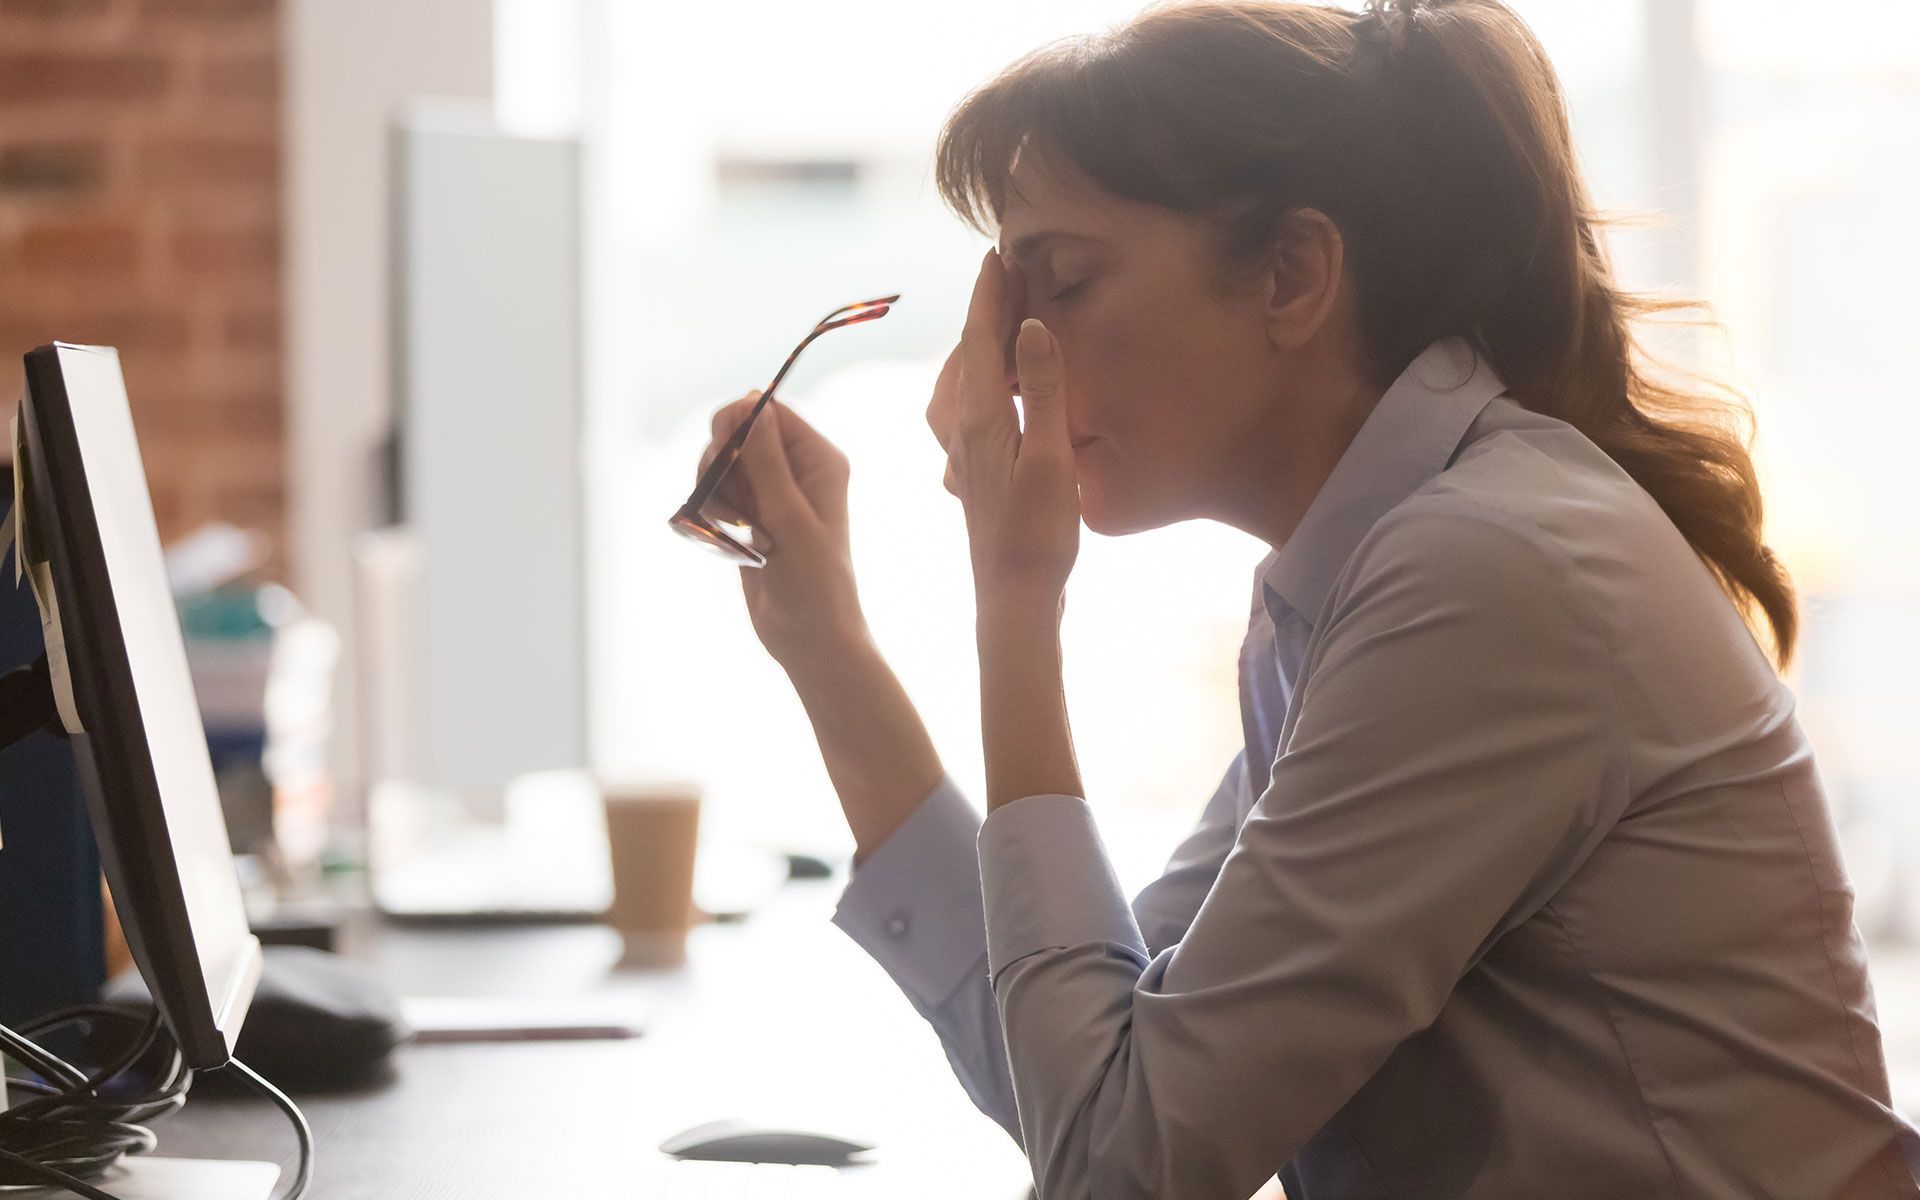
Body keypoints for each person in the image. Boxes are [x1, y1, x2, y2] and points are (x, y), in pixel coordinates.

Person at [691, 1, 1920, 1196]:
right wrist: (827, 646)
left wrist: (1017, 605)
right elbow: (1080, 1067)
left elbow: (1124, 1166)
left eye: (1057, 283)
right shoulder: (1369, 574)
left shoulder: (1486, 575)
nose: (1001, 367)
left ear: (1290, 275)